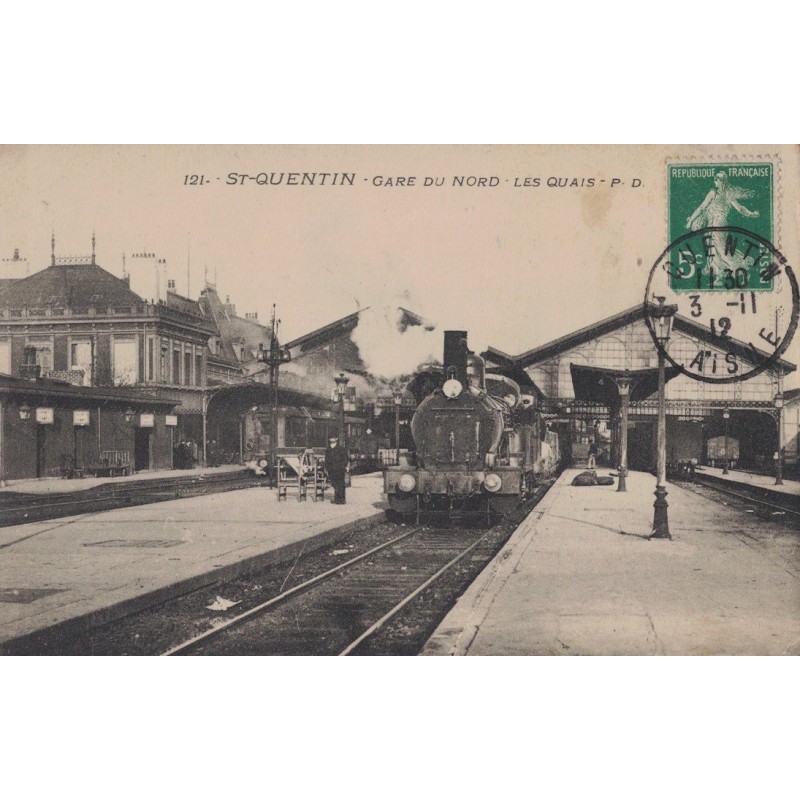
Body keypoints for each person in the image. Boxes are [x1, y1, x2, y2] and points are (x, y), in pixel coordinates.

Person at [325, 434, 348, 504]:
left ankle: (341, 500)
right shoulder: (328, 449)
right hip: (331, 469)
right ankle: (337, 499)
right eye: (331, 438)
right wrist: (327, 468)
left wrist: (343, 466)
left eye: (333, 438)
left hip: (340, 469)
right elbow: (326, 459)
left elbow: (345, 458)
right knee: (334, 484)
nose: (332, 439)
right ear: (329, 440)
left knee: (340, 484)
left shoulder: (341, 448)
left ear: (336, 439)